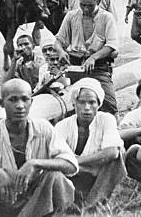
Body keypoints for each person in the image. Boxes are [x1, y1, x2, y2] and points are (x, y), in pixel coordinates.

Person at [0, 79, 78, 217]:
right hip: (3, 200)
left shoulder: (44, 128)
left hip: (37, 200)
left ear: (31, 102)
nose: (20, 106)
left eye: (25, 99)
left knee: (56, 177)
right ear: (1, 103)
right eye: (13, 100)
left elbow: (71, 165)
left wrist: (34, 163)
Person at [54, 78, 126, 209]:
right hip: (73, 176)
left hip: (98, 177)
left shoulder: (106, 119)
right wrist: (86, 166)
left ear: (98, 104)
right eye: (81, 102)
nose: (87, 108)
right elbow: (59, 158)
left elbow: (112, 152)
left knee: (118, 156)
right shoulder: (62, 126)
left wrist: (77, 160)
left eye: (92, 102)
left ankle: (93, 204)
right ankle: (71, 203)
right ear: (74, 104)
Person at [54, 0, 119, 114]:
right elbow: (58, 41)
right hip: (75, 68)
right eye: (82, 5)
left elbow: (111, 45)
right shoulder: (71, 16)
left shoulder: (106, 17)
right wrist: (61, 52)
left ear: (98, 2)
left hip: (98, 69)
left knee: (110, 106)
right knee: (71, 106)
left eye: (89, 5)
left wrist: (93, 57)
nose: (85, 8)